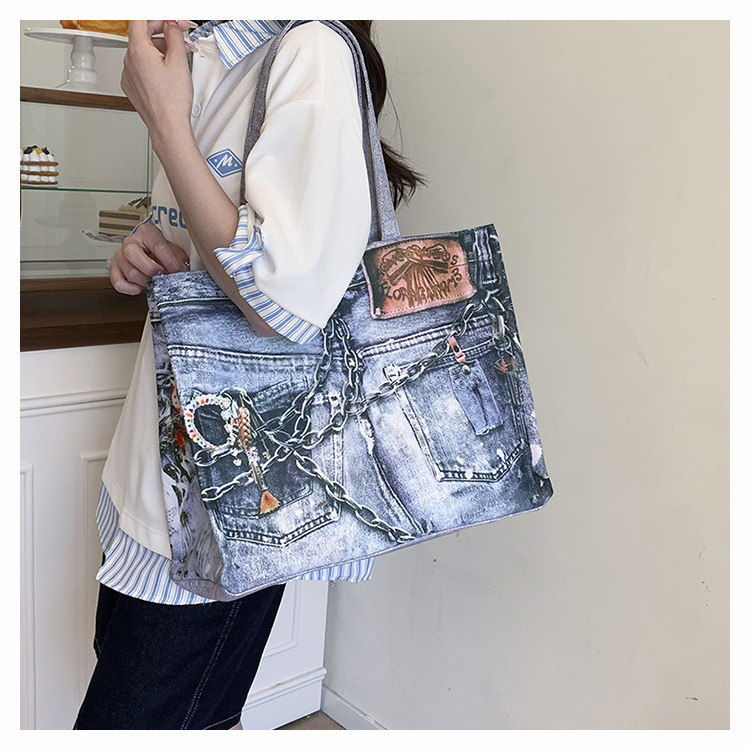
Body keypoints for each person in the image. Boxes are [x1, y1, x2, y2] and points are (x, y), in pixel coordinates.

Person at [74, 20, 421, 730]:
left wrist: (166, 124)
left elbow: (283, 308)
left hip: (226, 509)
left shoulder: (309, 51)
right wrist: (150, 254)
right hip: (151, 484)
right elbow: (214, 256)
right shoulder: (202, 59)